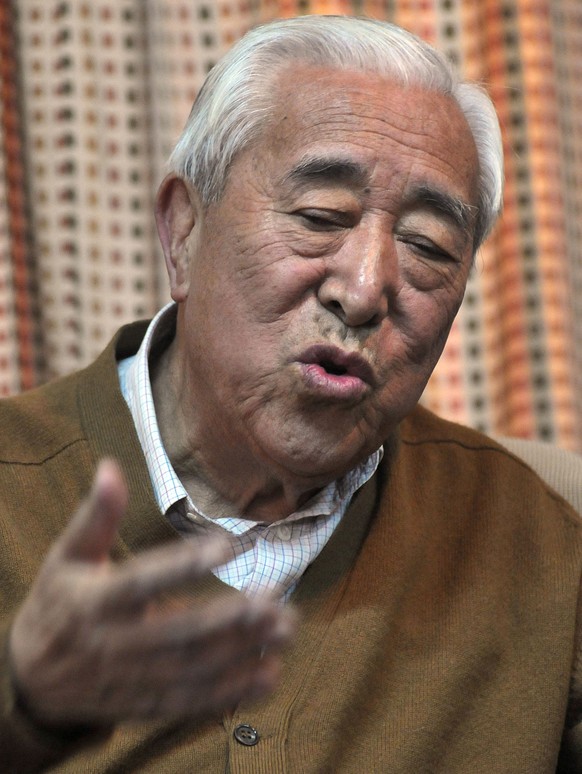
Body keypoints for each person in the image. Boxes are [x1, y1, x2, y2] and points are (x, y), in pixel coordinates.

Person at [1, 14, 581, 773]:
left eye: (429, 248)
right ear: (182, 232)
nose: (366, 289)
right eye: (318, 218)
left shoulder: (535, 542)